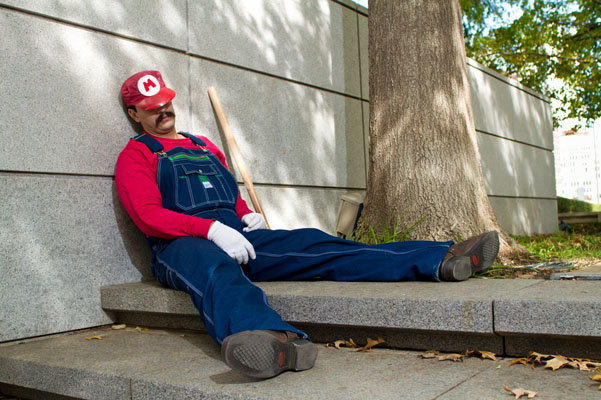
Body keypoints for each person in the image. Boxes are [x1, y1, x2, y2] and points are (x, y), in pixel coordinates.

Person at [115, 70, 500, 379]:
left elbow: (226, 191)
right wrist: (210, 230)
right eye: (151, 108)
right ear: (135, 114)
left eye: (166, 103)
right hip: (180, 246)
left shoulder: (202, 145)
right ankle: (275, 340)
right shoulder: (137, 155)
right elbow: (149, 216)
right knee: (216, 269)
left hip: (238, 235)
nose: (163, 111)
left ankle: (439, 258)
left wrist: (243, 212)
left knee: (314, 243)